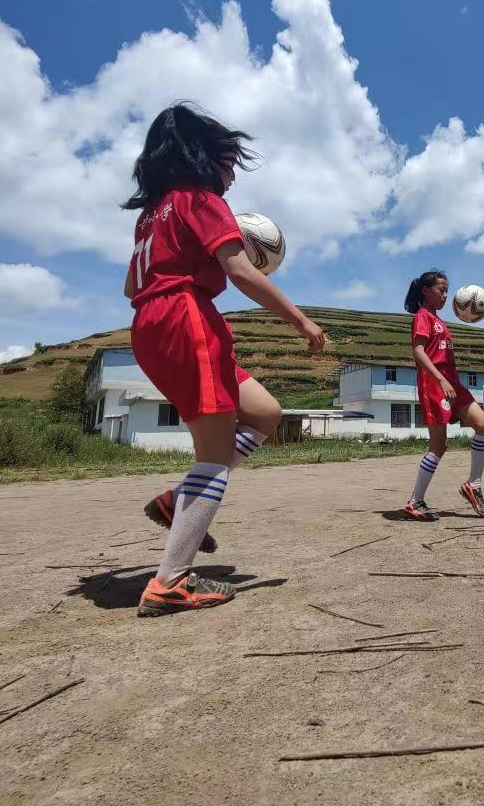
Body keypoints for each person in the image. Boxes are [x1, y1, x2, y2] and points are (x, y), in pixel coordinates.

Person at [123, 103, 326, 616]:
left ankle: (177, 502)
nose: (233, 176)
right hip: (186, 319)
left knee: (264, 413)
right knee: (212, 458)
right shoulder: (202, 199)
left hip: (150, 322)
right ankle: (170, 581)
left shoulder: (152, 215)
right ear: (205, 158)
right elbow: (238, 270)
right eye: (229, 162)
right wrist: (301, 320)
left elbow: (131, 284)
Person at [401, 269, 484, 521]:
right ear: (425, 291)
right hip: (435, 383)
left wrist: (448, 380)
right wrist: (440, 379)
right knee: (439, 445)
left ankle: (473, 485)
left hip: (453, 383)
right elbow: (418, 352)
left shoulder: (438, 319)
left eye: (446, 290)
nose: (445, 295)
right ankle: (414, 501)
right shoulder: (422, 317)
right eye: (441, 289)